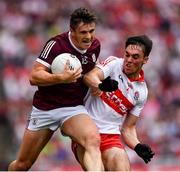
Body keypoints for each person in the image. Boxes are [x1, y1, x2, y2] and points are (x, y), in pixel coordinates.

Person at [8, 7, 104, 171]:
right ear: (72, 31)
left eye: (91, 31)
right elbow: (34, 76)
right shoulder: (55, 45)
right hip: (45, 108)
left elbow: (89, 72)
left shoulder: (95, 46)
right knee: (23, 165)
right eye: (83, 32)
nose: (88, 37)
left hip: (73, 108)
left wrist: (95, 83)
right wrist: (60, 78)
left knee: (93, 140)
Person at [71, 35, 155, 171]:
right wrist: (100, 85)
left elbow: (128, 128)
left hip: (111, 137)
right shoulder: (114, 64)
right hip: (86, 131)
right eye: (127, 55)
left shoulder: (142, 91)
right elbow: (89, 77)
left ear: (145, 60)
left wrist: (137, 146)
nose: (128, 60)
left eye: (135, 57)